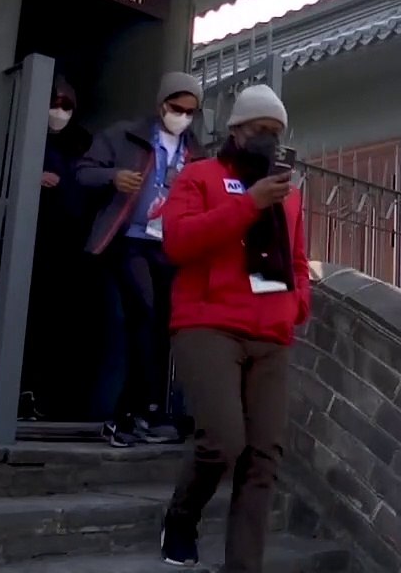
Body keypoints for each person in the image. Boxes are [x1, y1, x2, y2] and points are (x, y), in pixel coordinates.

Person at [156, 83, 310, 569]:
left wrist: (295, 306)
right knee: (224, 440)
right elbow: (177, 243)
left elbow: (299, 261)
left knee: (264, 457)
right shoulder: (198, 177)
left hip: (270, 333)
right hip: (208, 324)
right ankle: (182, 516)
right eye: (260, 130)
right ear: (237, 132)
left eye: (276, 133)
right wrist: (249, 203)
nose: (268, 139)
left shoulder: (290, 197)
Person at [76, 71, 205, 447]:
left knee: (164, 324)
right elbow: (83, 172)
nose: (181, 116)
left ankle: (148, 411)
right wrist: (114, 177)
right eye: (176, 108)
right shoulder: (123, 135)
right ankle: (124, 414)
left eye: (189, 111)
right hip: (129, 239)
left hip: (169, 245)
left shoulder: (195, 151)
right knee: (142, 315)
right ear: (161, 104)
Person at [20, 74, 93, 421]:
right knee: (24, 319)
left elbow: (88, 188)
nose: (59, 111)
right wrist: (30, 176)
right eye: (55, 103)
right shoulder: (21, 136)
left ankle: (50, 399)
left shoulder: (82, 144)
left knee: (60, 326)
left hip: (68, 249)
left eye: (67, 105)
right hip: (27, 244)